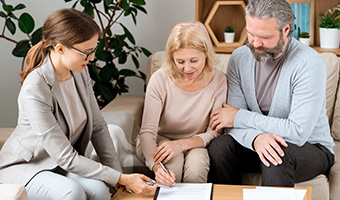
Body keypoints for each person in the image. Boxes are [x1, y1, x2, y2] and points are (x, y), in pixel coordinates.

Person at [0, 8, 157, 199]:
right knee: (72, 193)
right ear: (60, 49)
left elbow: (98, 127)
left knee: (100, 190)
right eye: (86, 52)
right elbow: (65, 156)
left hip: (60, 165)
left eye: (94, 50)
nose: (92, 59)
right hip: (28, 167)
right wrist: (122, 178)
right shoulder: (35, 88)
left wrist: (116, 178)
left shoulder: (79, 72)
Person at [208, 0, 335, 186]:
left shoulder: (309, 64)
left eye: (264, 37)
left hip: (309, 147)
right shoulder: (239, 58)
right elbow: (231, 121)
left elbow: (297, 132)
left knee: (276, 157)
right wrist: (256, 138)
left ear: (285, 30)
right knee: (220, 147)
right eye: (251, 34)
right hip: (258, 143)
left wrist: (240, 117)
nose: (255, 43)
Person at [136, 21, 227, 186]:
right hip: (159, 139)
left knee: (197, 167)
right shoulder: (160, 79)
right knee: (173, 167)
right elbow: (148, 132)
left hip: (197, 141)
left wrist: (182, 144)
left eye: (194, 60)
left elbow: (214, 132)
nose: (187, 68)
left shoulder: (219, 81)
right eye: (180, 61)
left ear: (206, 54)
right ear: (172, 58)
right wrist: (156, 167)